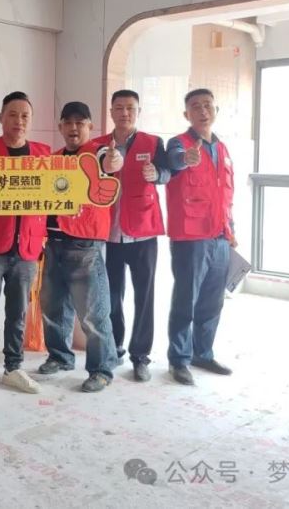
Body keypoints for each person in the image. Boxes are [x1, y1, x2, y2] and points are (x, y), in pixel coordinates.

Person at [0, 91, 50, 404]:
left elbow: (55, 194)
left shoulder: (43, 154)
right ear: (1, 117)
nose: (19, 121)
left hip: (27, 247)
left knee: (18, 313)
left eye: (25, 116)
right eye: (12, 114)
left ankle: (13, 368)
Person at [38, 101, 123, 392]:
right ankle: (60, 357)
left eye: (80, 122)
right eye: (68, 122)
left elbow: (110, 162)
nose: (74, 128)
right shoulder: (54, 159)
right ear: (60, 126)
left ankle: (102, 369)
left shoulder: (97, 153)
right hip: (53, 242)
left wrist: (113, 161)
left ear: (90, 126)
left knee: (93, 313)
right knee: (53, 307)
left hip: (85, 245)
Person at [93, 90, 169, 382]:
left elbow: (168, 172)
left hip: (143, 232)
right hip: (109, 234)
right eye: (119, 108)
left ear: (138, 112)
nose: (125, 113)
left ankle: (141, 356)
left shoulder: (153, 142)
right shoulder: (99, 145)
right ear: (111, 112)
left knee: (144, 296)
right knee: (112, 296)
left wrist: (157, 174)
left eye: (130, 108)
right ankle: (115, 348)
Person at [165, 88, 236, 386]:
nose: (203, 111)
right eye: (196, 106)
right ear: (187, 114)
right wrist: (186, 158)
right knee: (186, 300)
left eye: (208, 105)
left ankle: (202, 353)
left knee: (212, 301)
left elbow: (226, 195)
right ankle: (179, 360)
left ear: (216, 110)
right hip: (191, 237)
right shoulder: (178, 144)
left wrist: (231, 231)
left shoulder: (222, 148)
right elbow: (174, 161)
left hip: (220, 236)